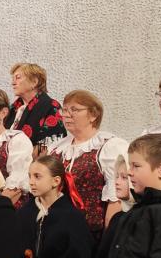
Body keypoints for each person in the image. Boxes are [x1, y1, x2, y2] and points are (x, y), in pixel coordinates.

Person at [51, 90, 129, 240]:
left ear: (93, 115)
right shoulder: (57, 148)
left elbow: (116, 199)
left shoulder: (109, 146)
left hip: (91, 234)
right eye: (65, 110)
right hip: (57, 230)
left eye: (74, 109)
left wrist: (108, 240)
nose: (66, 115)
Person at [6, 63, 66, 149]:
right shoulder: (14, 108)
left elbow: (52, 143)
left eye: (18, 78)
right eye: (13, 79)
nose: (13, 83)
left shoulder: (50, 106)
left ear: (34, 82)